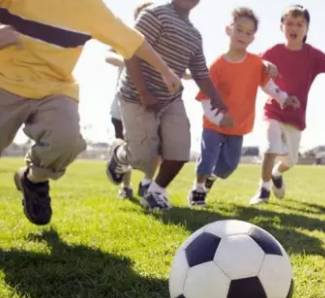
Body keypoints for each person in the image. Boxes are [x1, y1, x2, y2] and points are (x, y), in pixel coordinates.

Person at [0, 0, 180, 225]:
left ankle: (32, 180)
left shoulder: (90, 8)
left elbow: (132, 41)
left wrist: (165, 71)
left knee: (66, 142)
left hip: (56, 88)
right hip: (4, 82)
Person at [107, 0, 226, 211]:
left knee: (180, 150)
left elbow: (200, 72)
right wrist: (144, 92)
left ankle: (155, 192)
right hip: (136, 96)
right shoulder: (155, 14)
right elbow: (130, 52)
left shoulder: (194, 35)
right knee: (143, 159)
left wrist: (216, 98)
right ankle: (119, 154)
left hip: (170, 100)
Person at [189, 7, 299, 208]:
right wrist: (219, 118)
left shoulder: (256, 63)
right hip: (213, 124)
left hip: (238, 126)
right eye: (239, 29)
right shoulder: (217, 66)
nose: (243, 35)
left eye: (248, 33)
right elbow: (205, 98)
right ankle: (198, 188)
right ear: (228, 30)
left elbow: (268, 85)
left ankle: (211, 178)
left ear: (253, 38)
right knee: (207, 158)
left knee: (228, 167)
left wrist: (285, 98)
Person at [249, 4, 325, 205]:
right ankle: (263, 190)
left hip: (295, 118)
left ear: (307, 29)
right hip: (273, 110)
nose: (294, 28)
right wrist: (264, 64)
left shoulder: (313, 55)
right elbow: (252, 63)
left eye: (300, 24)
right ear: (281, 27)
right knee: (271, 146)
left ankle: (276, 174)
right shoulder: (273, 51)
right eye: (290, 23)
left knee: (291, 161)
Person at [105, 1, 155, 200]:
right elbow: (108, 55)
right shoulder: (126, 39)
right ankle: (125, 187)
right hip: (122, 109)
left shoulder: (160, 45)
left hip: (150, 109)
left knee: (155, 147)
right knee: (128, 148)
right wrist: (127, 62)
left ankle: (147, 184)